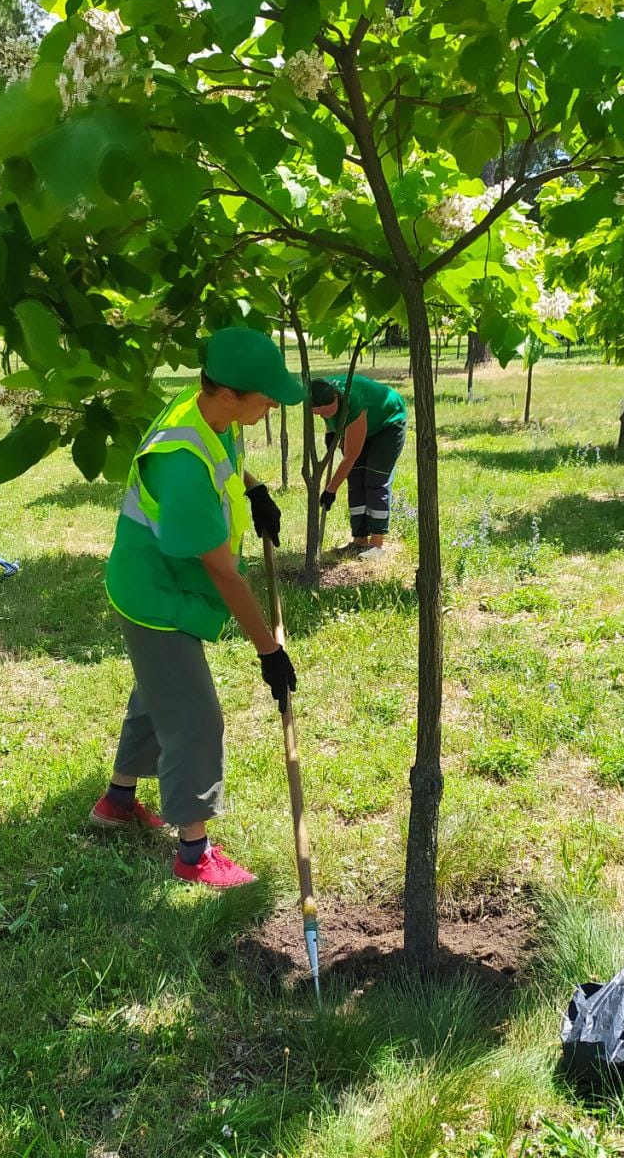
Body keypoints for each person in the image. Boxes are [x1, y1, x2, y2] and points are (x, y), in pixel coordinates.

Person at [91, 327, 304, 888]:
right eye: (265, 396)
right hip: (153, 594)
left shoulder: (207, 412)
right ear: (230, 392)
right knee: (193, 717)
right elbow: (224, 574)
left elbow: (226, 463)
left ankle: (117, 800)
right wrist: (269, 651)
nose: (272, 405)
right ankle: (193, 854)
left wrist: (254, 490)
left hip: (165, 584)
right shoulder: (181, 462)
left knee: (158, 692)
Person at [310, 373, 407, 559]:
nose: (322, 415)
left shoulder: (352, 403)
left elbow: (350, 456)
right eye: (318, 413)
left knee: (375, 479)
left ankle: (376, 544)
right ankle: (359, 540)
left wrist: (330, 490)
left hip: (388, 423)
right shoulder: (320, 392)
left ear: (337, 397)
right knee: (355, 479)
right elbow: (333, 422)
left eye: (327, 411)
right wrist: (331, 432)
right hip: (364, 425)